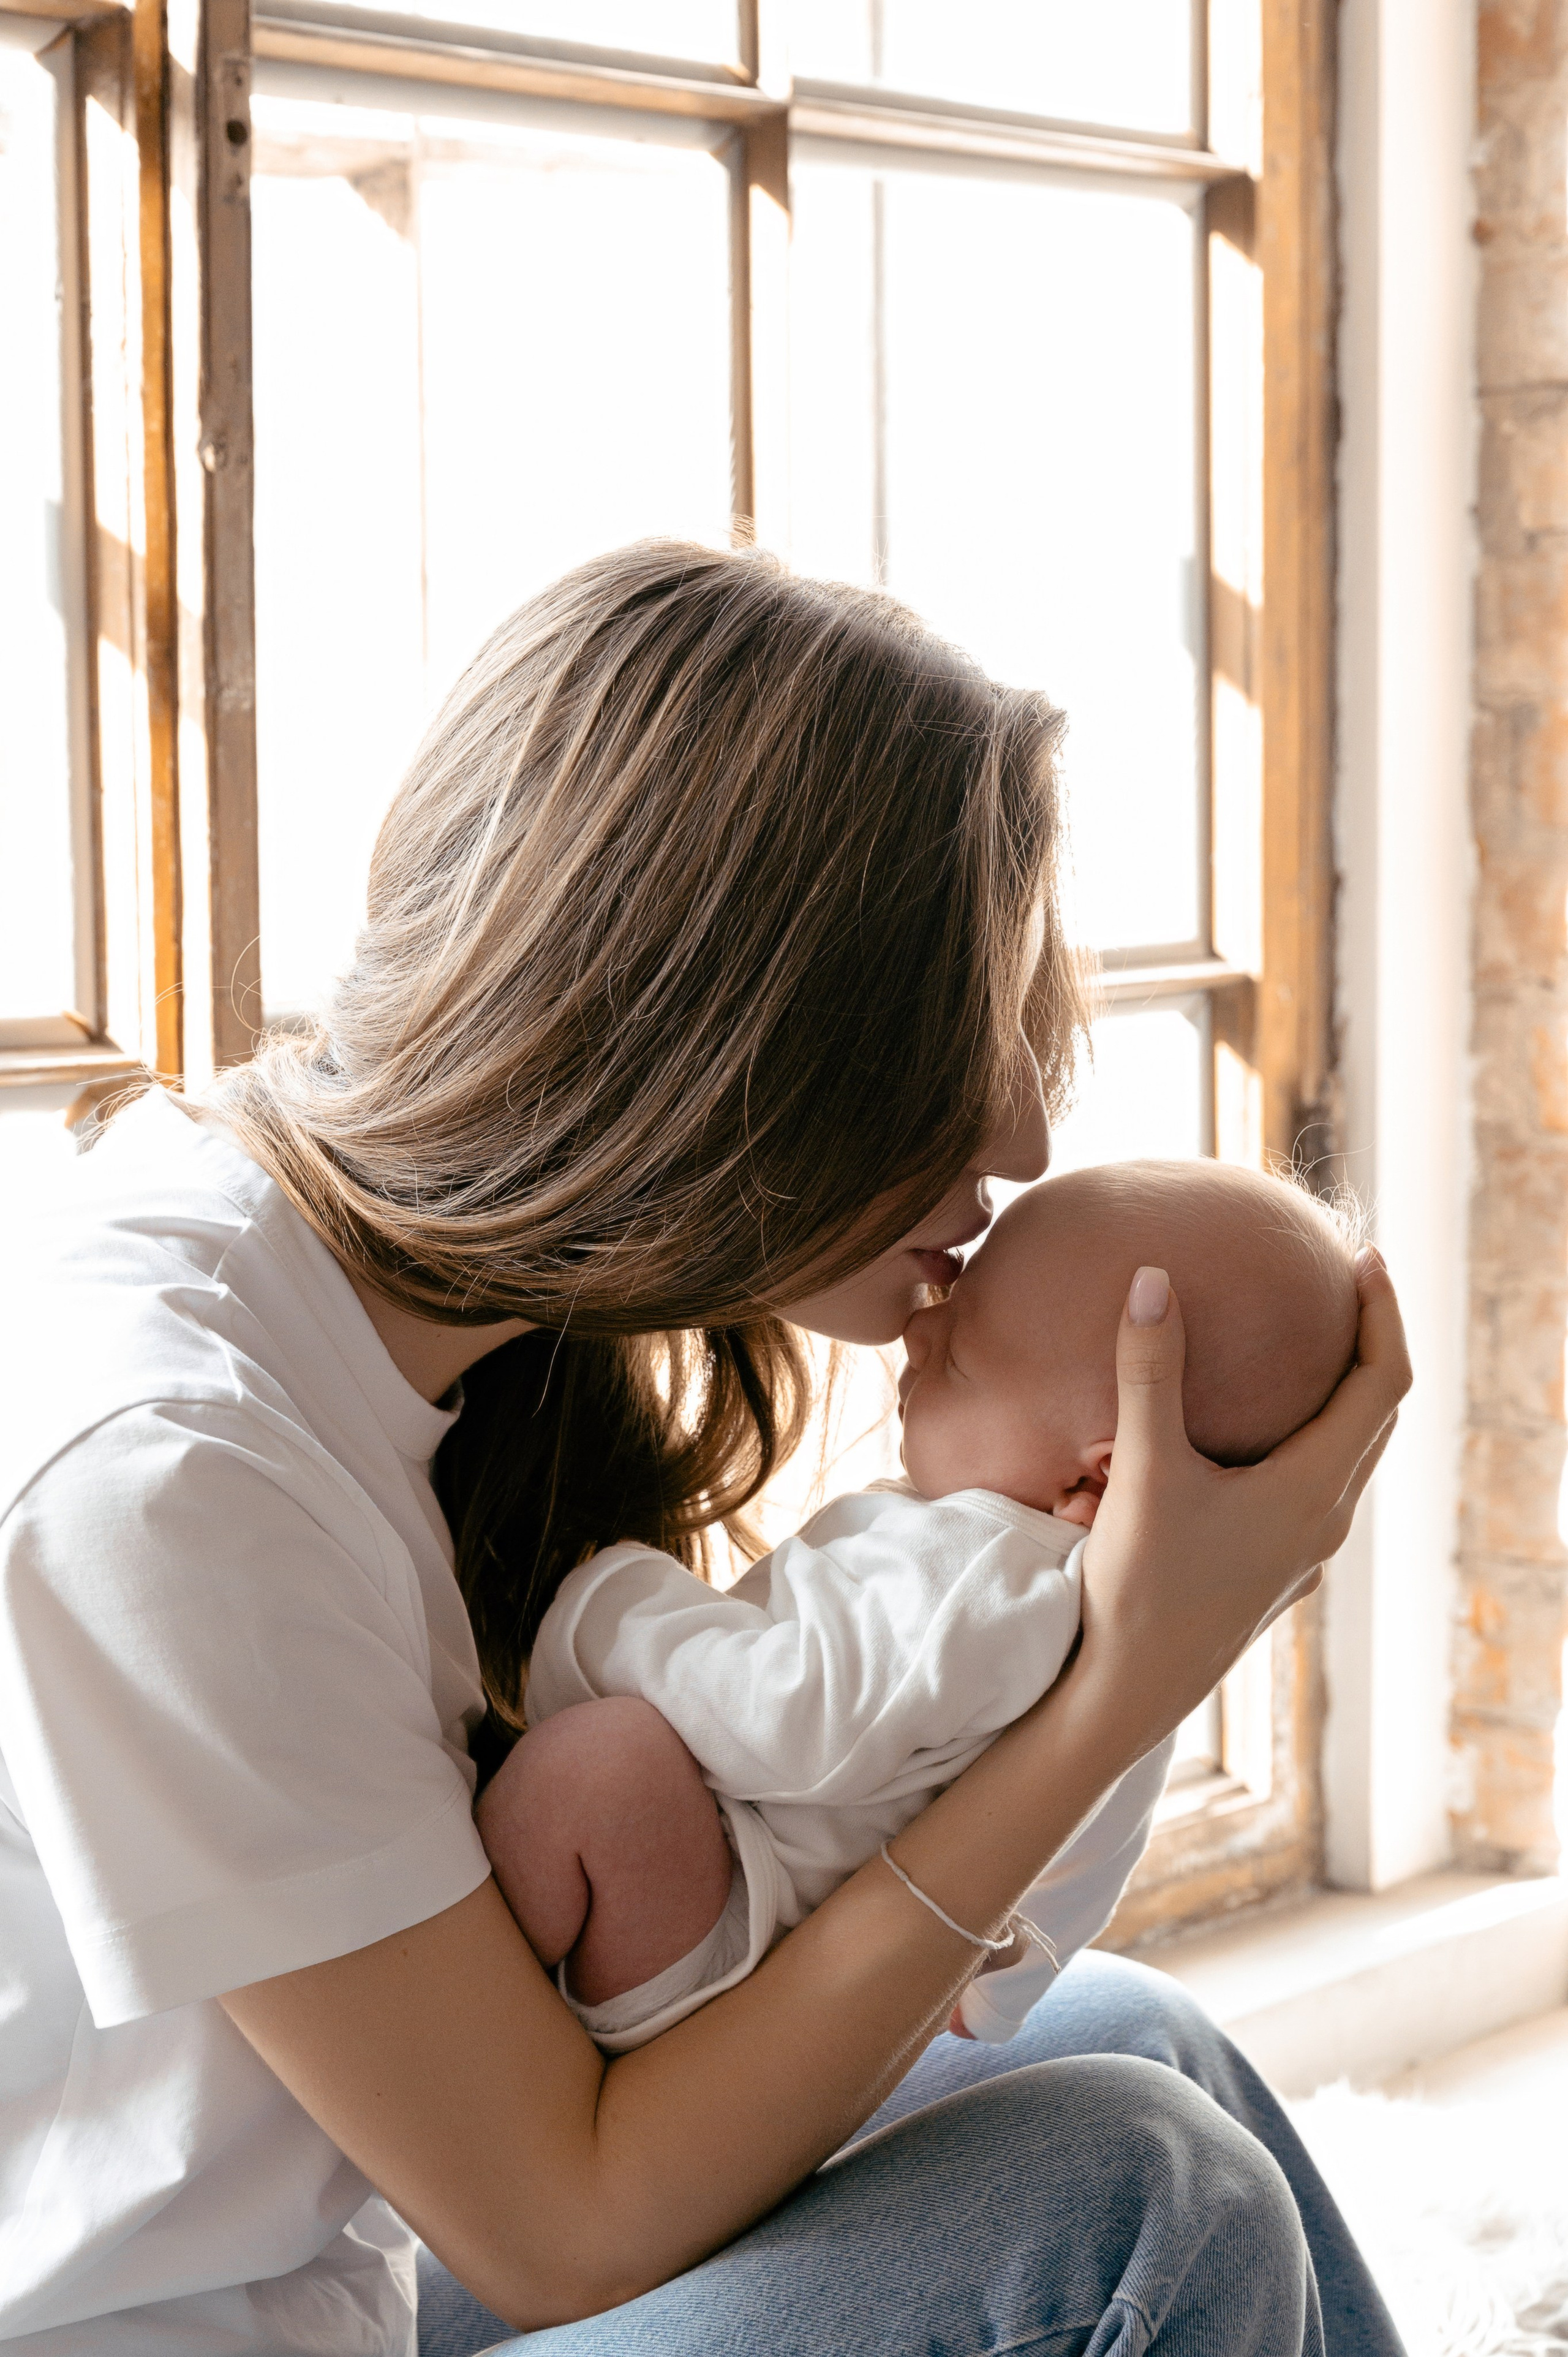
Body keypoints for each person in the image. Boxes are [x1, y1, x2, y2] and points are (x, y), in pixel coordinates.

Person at [0, 544, 1410, 2357]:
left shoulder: (377, 1300)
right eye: (958, 1041)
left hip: (345, 2235)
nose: (1022, 1133)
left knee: (1140, 2041)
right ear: (721, 1050)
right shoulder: (171, 1470)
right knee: (1147, 2195)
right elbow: (561, 2236)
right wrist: (1126, 1685)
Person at [478, 1160, 1361, 2058]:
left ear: (1095, 1478)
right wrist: (996, 1991)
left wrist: (612, 1597)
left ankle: (454, 2026)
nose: (918, 1332)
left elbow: (792, 1721)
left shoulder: (983, 1571)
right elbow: (1078, 1865)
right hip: (815, 1978)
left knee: (600, 1767)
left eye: (962, 1354)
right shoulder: (1134, 1634)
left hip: (719, 1940)